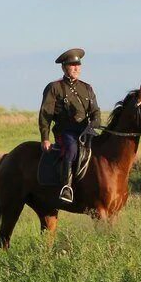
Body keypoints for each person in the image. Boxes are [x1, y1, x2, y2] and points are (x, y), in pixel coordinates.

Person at [38, 48, 101, 202]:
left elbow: (96, 112)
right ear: (64, 67)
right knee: (72, 150)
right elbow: (45, 114)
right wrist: (45, 138)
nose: (76, 68)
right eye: (72, 65)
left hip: (86, 131)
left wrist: (94, 124)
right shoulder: (54, 87)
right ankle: (66, 187)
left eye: (78, 64)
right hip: (65, 132)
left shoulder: (87, 88)